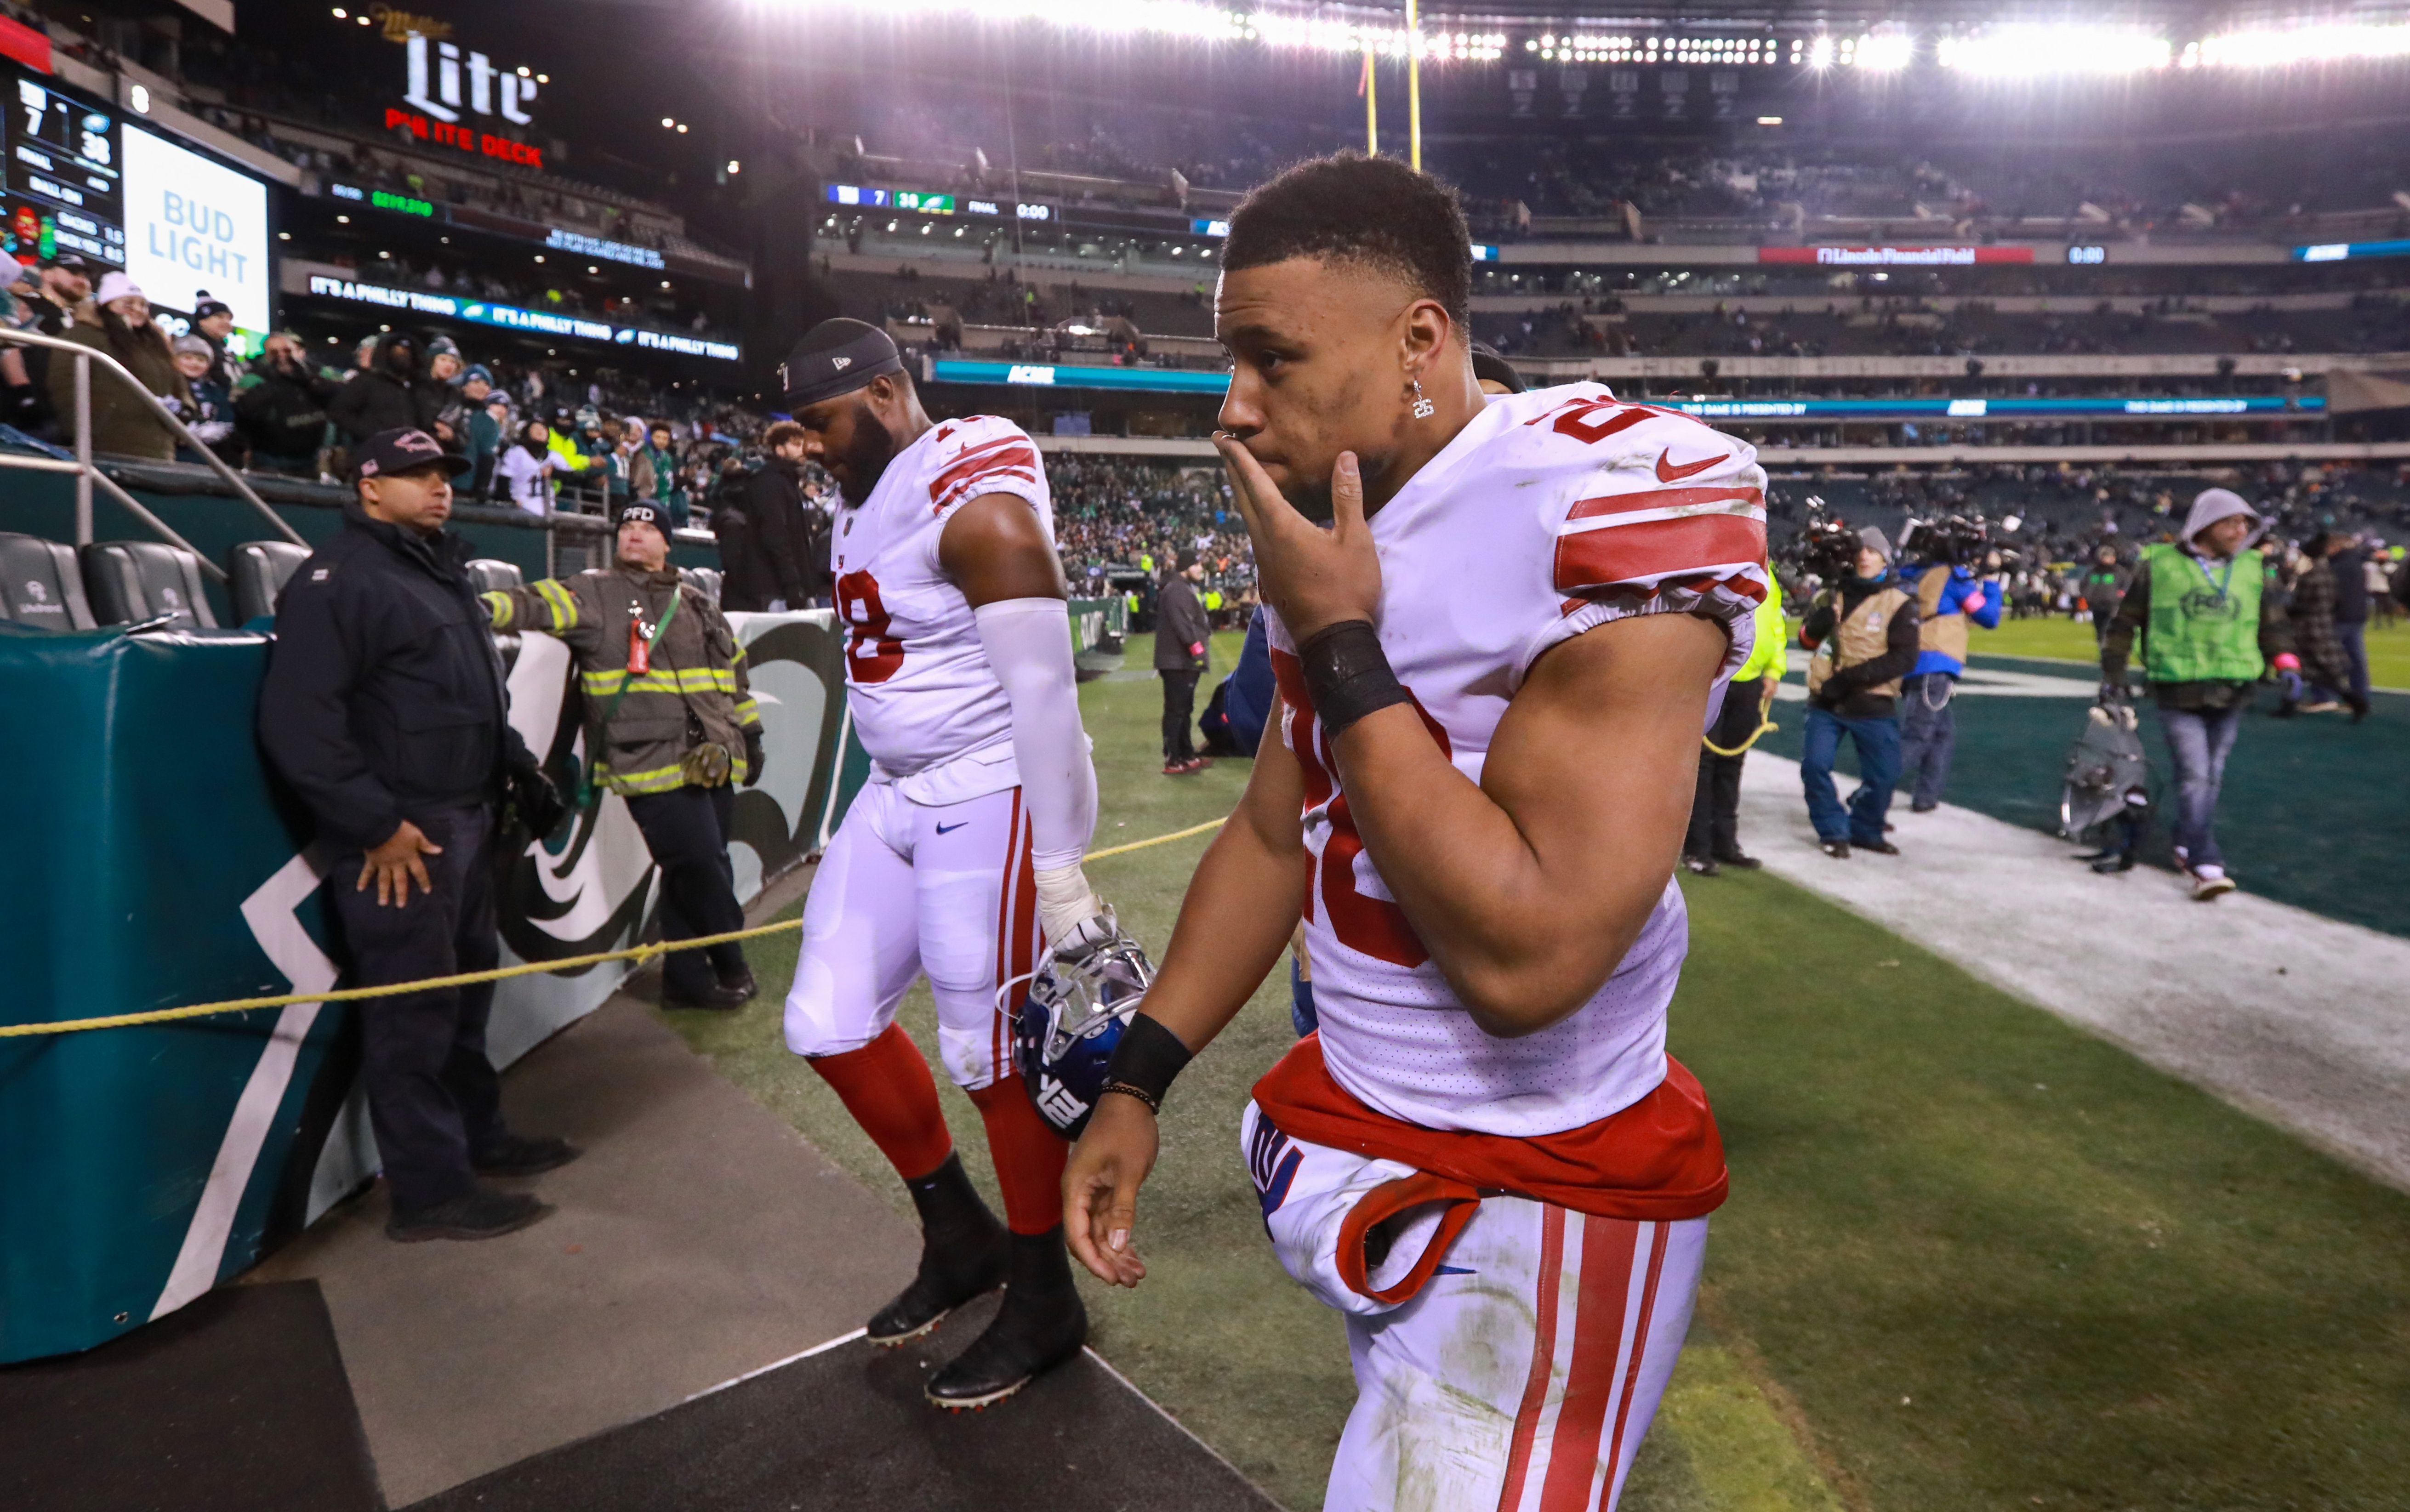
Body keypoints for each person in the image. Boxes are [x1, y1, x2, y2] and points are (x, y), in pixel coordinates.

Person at [1060, 154, 1764, 1512]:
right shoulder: (1338, 506)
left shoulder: (1599, 504)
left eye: (1272, 358)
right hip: (1371, 1137)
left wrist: (1336, 633)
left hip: (1540, 1190)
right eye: (1231, 359)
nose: (1233, 405)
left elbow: (1527, 959)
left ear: (1419, 342)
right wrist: (1138, 1079)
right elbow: (1278, 830)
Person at [775, 317, 1125, 1409]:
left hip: (988, 786)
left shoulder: (970, 487)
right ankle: (960, 1233)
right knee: (826, 1021)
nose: (811, 447)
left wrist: (1063, 863)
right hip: (893, 793)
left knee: (991, 1058)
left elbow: (1043, 689)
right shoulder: (858, 499)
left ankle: (1042, 1293)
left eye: (823, 422)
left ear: (884, 393)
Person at [257, 428, 576, 1242]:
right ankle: (429, 1194)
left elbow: (474, 700)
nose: (437, 486)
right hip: (403, 834)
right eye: (414, 474)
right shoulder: (339, 581)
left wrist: (519, 770)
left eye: (442, 473)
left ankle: (480, 1139)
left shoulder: (439, 573)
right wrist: (375, 826)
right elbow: (299, 726)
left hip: (466, 815)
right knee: (415, 1014)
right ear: (367, 486)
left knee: (466, 997)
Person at [483, 500, 764, 1008]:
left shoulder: (697, 601)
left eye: (646, 527)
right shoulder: (593, 593)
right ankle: (730, 960)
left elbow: (735, 675)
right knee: (700, 865)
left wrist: (752, 736)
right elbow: (527, 603)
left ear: (667, 542)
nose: (634, 534)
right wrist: (474, 606)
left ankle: (685, 981)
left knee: (691, 872)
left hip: (716, 758)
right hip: (649, 761)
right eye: (626, 527)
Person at [2100, 489, 2305, 900]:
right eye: (2232, 521)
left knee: (2210, 775)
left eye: (2245, 522)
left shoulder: (2251, 568)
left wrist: (2285, 661)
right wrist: (2114, 674)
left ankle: (2185, 839)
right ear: (2206, 524)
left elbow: (2271, 623)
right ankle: (2203, 858)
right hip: (2179, 687)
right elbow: (2126, 622)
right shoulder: (2158, 566)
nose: (2241, 529)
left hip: (2233, 688)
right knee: (2195, 774)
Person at [1797, 528, 1920, 858]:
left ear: (1884, 558)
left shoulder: (1899, 602)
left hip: (1872, 701)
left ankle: (1866, 829)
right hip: (1826, 701)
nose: (1865, 556)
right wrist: (1816, 624)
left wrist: (1849, 678)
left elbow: (1904, 658)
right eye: (1860, 551)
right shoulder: (1831, 594)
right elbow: (1805, 641)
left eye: (1873, 551)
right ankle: (1832, 830)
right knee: (1814, 768)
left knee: (1883, 778)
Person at [1686, 560, 1785, 874]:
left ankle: (1725, 842)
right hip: (1714, 678)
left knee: (1732, 763)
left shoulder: (1767, 574)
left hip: (1749, 683)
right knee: (1703, 766)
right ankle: (1697, 849)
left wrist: (1773, 670)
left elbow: (1776, 627)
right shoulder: (1720, 564)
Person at [1894, 539, 2001, 814]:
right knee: (1918, 736)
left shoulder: (1909, 573)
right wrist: (1990, 579)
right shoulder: (1953, 578)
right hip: (1935, 662)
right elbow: (1989, 616)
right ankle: (1871, 790)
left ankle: (1926, 797)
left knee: (1942, 734)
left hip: (1911, 660)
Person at [47, 272, 191, 460]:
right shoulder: (84, 334)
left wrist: (185, 410)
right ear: (108, 305)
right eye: (128, 304)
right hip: (108, 443)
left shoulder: (154, 343)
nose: (138, 310)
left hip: (160, 446)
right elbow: (64, 382)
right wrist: (83, 427)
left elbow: (177, 383)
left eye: (143, 305)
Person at [2284, 531, 2368, 721]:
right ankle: (2358, 696)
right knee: (2353, 659)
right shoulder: (2356, 563)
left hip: (2327, 621)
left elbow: (2308, 601)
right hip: (2353, 617)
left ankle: (2323, 698)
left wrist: (2290, 610)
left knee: (2319, 661)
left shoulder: (2330, 569)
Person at [234, 332, 341, 476]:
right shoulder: (253, 378)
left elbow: (338, 397)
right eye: (274, 353)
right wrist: (274, 380)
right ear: (266, 355)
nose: (282, 356)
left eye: (287, 351)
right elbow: (246, 413)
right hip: (269, 459)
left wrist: (307, 379)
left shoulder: (316, 373)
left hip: (310, 458)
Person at [745, 421, 821, 610]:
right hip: (776, 590)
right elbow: (775, 536)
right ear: (780, 450)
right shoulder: (770, 482)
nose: (802, 450)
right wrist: (792, 584)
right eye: (796, 445)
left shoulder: (788, 482)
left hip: (788, 588)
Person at [328, 331, 442, 446]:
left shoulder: (420, 388)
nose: (403, 355)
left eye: (407, 351)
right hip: (373, 451)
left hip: (410, 454)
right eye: (397, 351)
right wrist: (372, 434)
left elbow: (427, 421)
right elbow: (339, 412)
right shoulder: (367, 381)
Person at [1154, 550, 1211, 775]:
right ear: (1186, 566)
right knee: (1177, 710)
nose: (1200, 570)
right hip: (1177, 661)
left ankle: (1186, 754)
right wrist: (1197, 651)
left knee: (1184, 709)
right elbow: (1183, 625)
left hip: (1181, 660)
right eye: (1197, 565)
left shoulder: (1181, 587)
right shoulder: (1177, 589)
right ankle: (1173, 758)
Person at [170, 334, 241, 466]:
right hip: (172, 458)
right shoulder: (166, 385)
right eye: (187, 358)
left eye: (201, 360)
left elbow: (226, 420)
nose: (194, 363)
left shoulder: (213, 390)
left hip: (207, 461)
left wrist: (212, 432)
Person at [495, 417, 560, 517]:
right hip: (521, 506)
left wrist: (554, 473)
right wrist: (510, 501)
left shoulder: (554, 456)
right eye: (535, 429)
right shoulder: (516, 453)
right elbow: (503, 481)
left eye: (543, 428)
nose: (540, 431)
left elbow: (573, 477)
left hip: (548, 509)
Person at [2082, 543, 2126, 643]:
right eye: (2103, 556)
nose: (2105, 559)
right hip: (2096, 604)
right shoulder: (2093, 572)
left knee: (2108, 627)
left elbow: (2127, 584)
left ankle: (2107, 645)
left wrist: (2121, 595)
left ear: (2114, 558)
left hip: (2112, 605)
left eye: (2107, 556)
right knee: (2099, 628)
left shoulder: (2119, 572)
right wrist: (2088, 596)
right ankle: (2102, 645)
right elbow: (2084, 585)